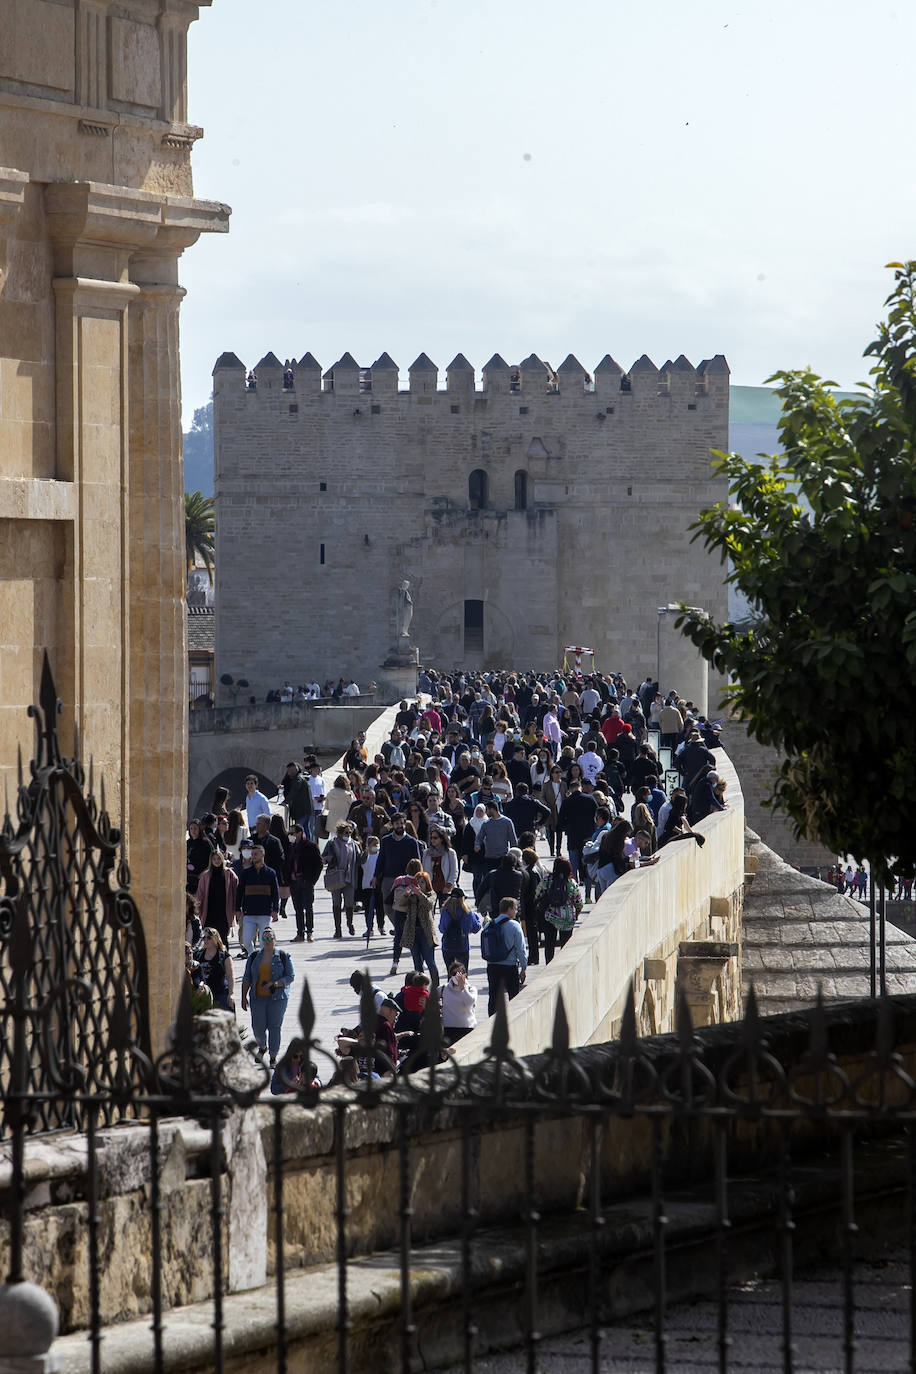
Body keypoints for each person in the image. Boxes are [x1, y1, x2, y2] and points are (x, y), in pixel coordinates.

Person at [240, 928, 295, 1067]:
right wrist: (243, 996)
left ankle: (273, 1057)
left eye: (270, 938)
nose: (267, 941)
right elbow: (247, 977)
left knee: (274, 1027)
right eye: (264, 939)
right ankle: (263, 1047)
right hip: (257, 998)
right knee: (258, 1027)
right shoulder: (253, 957)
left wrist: (275, 984)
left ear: (275, 940)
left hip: (277, 998)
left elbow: (290, 976)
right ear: (260, 941)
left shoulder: (283, 956)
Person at [481, 896, 528, 1015]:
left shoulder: (489, 925)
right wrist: (523, 968)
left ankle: (491, 1023)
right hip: (509, 967)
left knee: (493, 997)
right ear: (509, 909)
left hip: (492, 967)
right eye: (515, 908)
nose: (516, 911)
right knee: (514, 997)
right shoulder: (515, 925)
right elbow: (521, 949)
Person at [234, 843, 280, 956]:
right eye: (252, 854)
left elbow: (275, 893)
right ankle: (254, 957)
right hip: (249, 913)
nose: (253, 856)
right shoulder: (245, 873)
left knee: (264, 941)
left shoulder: (270, 873)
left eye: (256, 854)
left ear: (262, 854)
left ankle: (262, 961)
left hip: (265, 913)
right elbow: (239, 892)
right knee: (246, 940)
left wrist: (275, 910)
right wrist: (237, 909)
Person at [534, 856, 583, 962]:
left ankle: (549, 965)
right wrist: (576, 914)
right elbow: (579, 902)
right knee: (566, 946)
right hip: (567, 918)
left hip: (550, 916)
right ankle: (564, 965)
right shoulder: (571, 882)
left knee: (549, 944)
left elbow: (537, 894)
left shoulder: (547, 880)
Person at [322, 821, 360, 937]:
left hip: (349, 877)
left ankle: (350, 923)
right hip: (336, 877)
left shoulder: (354, 844)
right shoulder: (331, 843)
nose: (348, 835)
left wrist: (367, 853)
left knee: (349, 903)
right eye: (346, 833)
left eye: (350, 833)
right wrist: (329, 858)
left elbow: (359, 860)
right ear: (339, 833)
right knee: (336, 903)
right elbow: (323, 857)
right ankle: (337, 929)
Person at [195, 847, 238, 945]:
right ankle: (211, 959)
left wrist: (236, 908)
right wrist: (198, 909)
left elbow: (235, 891)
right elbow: (200, 894)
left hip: (224, 912)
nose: (217, 861)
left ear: (222, 859)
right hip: (209, 911)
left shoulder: (229, 874)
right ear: (211, 860)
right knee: (209, 938)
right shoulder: (205, 875)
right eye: (214, 859)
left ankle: (225, 959)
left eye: (219, 858)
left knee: (223, 938)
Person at [287, 822, 322, 941]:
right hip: (294, 881)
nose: (290, 835)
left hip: (306, 880)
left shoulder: (310, 846)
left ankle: (309, 932)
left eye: (292, 833)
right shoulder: (290, 847)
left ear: (299, 833)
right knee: (298, 908)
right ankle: (300, 933)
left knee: (308, 907)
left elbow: (319, 864)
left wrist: (312, 880)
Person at [438, 888, 483, 970]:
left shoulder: (445, 911)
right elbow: (476, 928)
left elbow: (441, 929)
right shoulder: (467, 912)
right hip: (462, 946)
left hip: (447, 946)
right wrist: (476, 917)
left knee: (450, 974)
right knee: (463, 974)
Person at [197, 927, 235, 1011]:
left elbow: (230, 976)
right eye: (204, 938)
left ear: (215, 939)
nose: (205, 940)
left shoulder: (224, 956)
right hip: (203, 994)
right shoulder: (198, 954)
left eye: (209, 938)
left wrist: (231, 994)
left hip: (220, 994)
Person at [440, 961, 477, 1043]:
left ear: (465, 974)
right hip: (449, 1028)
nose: (458, 976)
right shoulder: (443, 989)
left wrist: (463, 988)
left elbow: (469, 1003)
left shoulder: (471, 989)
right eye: (454, 973)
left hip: (467, 1028)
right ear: (450, 975)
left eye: (460, 973)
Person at [422, 827, 458, 906]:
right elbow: (423, 871)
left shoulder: (450, 853)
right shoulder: (426, 853)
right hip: (431, 888)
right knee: (429, 914)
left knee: (445, 913)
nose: (432, 840)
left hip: (445, 887)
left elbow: (454, 871)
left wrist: (448, 885)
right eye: (431, 838)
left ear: (442, 839)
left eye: (435, 838)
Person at [186, 819, 214, 896]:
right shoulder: (188, 843)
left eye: (195, 828)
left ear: (200, 829)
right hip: (188, 878)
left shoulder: (205, 843)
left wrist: (204, 872)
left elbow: (212, 858)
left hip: (201, 877)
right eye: (191, 828)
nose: (193, 831)